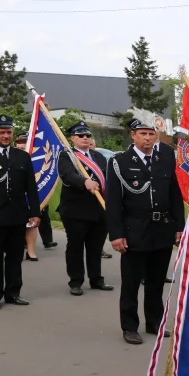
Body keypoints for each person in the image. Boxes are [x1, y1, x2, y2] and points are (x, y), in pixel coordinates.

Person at [107, 117, 185, 345]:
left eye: (152, 134)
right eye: (143, 134)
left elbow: (174, 194)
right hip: (134, 230)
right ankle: (129, 326)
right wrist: (116, 233)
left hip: (162, 229)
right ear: (133, 135)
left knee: (156, 280)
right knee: (131, 282)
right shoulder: (119, 162)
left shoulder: (165, 158)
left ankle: (154, 322)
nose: (148, 138)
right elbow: (113, 203)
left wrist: (179, 225)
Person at [0, 115, 41, 310]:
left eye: (8, 132)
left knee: (15, 257)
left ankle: (13, 293)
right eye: (1, 132)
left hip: (17, 215)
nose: (5, 136)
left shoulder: (22, 156)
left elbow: (31, 186)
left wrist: (35, 212)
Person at [57, 121, 113, 296]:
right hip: (76, 211)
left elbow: (107, 179)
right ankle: (76, 281)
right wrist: (84, 181)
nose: (85, 138)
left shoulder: (99, 157)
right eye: (81, 135)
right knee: (75, 247)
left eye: (88, 135)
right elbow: (68, 175)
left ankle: (96, 279)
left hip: (98, 210)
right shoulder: (67, 156)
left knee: (95, 247)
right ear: (73, 138)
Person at [14, 133, 56, 261]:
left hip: (31, 196)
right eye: (19, 148)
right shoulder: (9, 159)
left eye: (24, 148)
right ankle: (17, 251)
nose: (22, 150)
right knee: (16, 227)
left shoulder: (32, 161)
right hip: (15, 198)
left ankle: (31, 251)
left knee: (32, 225)